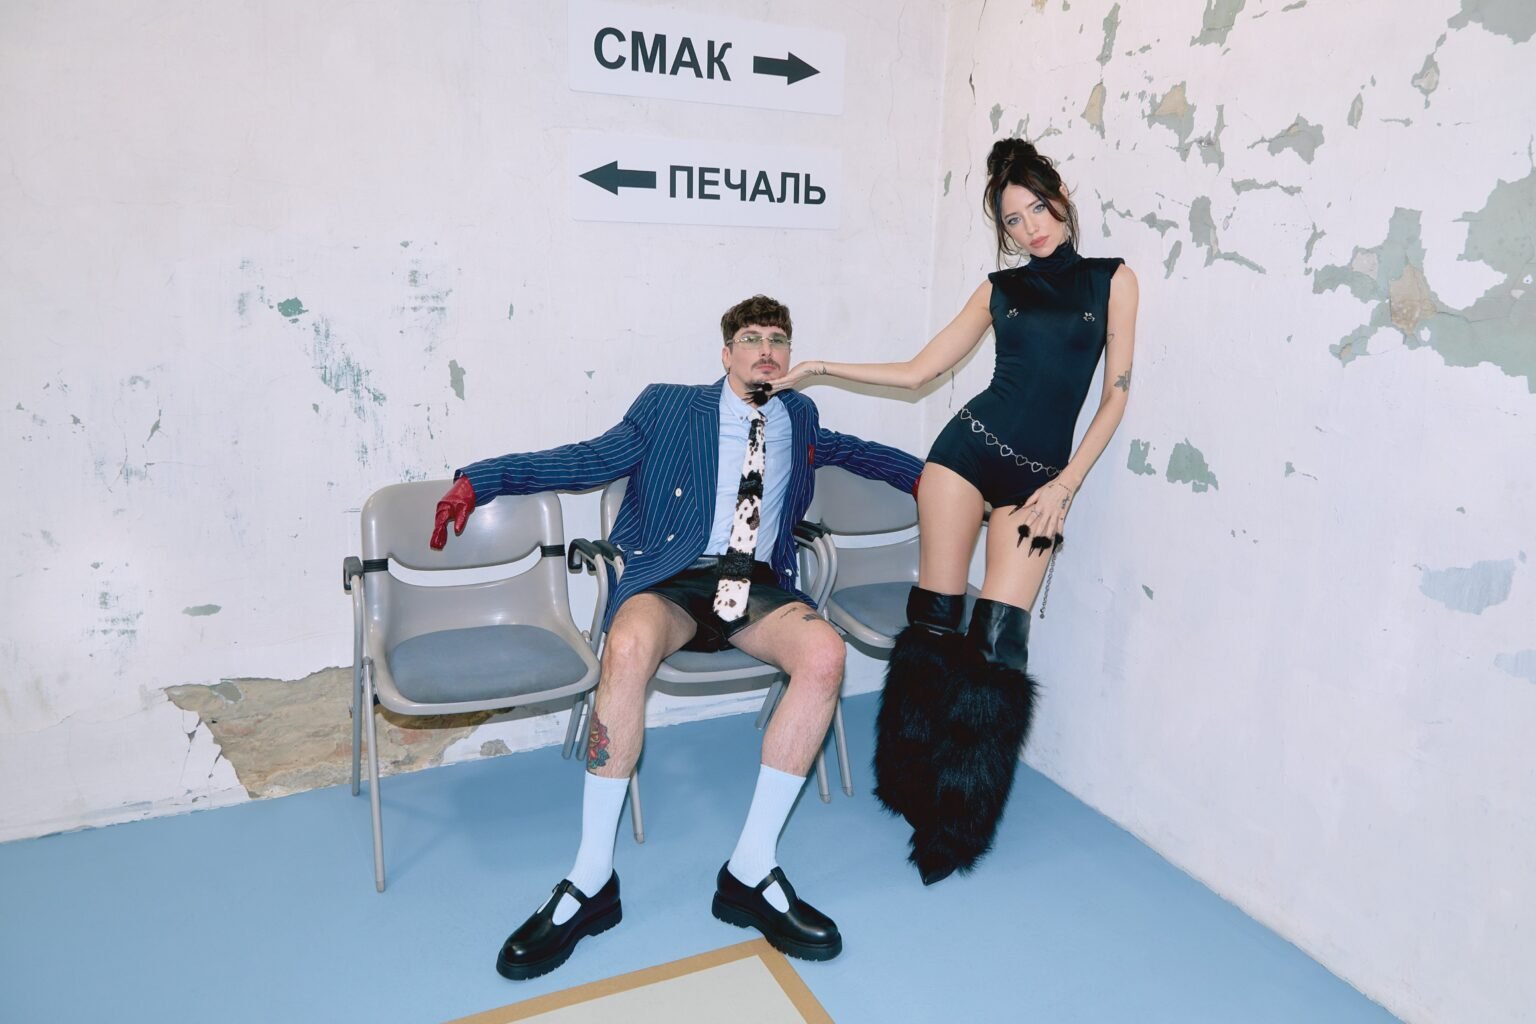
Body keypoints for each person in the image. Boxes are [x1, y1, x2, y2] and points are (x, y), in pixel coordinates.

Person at [429, 295, 922, 978]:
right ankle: (591, 879)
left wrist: (952, 485)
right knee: (626, 646)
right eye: (751, 338)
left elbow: (861, 456)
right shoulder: (668, 407)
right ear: (726, 354)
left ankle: (751, 870)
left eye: (778, 339)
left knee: (825, 653)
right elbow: (586, 460)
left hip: (756, 586)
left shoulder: (799, 416)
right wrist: (479, 481)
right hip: (672, 578)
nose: (767, 349)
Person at [767, 139, 1140, 884]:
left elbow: (1116, 395)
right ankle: (908, 777)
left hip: (1040, 481)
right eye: (1014, 220)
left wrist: (1065, 485)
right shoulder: (998, 290)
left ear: (1062, 198)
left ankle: (960, 819)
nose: (1031, 227)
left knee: (1000, 645)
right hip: (965, 455)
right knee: (935, 620)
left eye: (1038, 208)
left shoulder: (1113, 280)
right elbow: (919, 371)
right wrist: (818, 368)